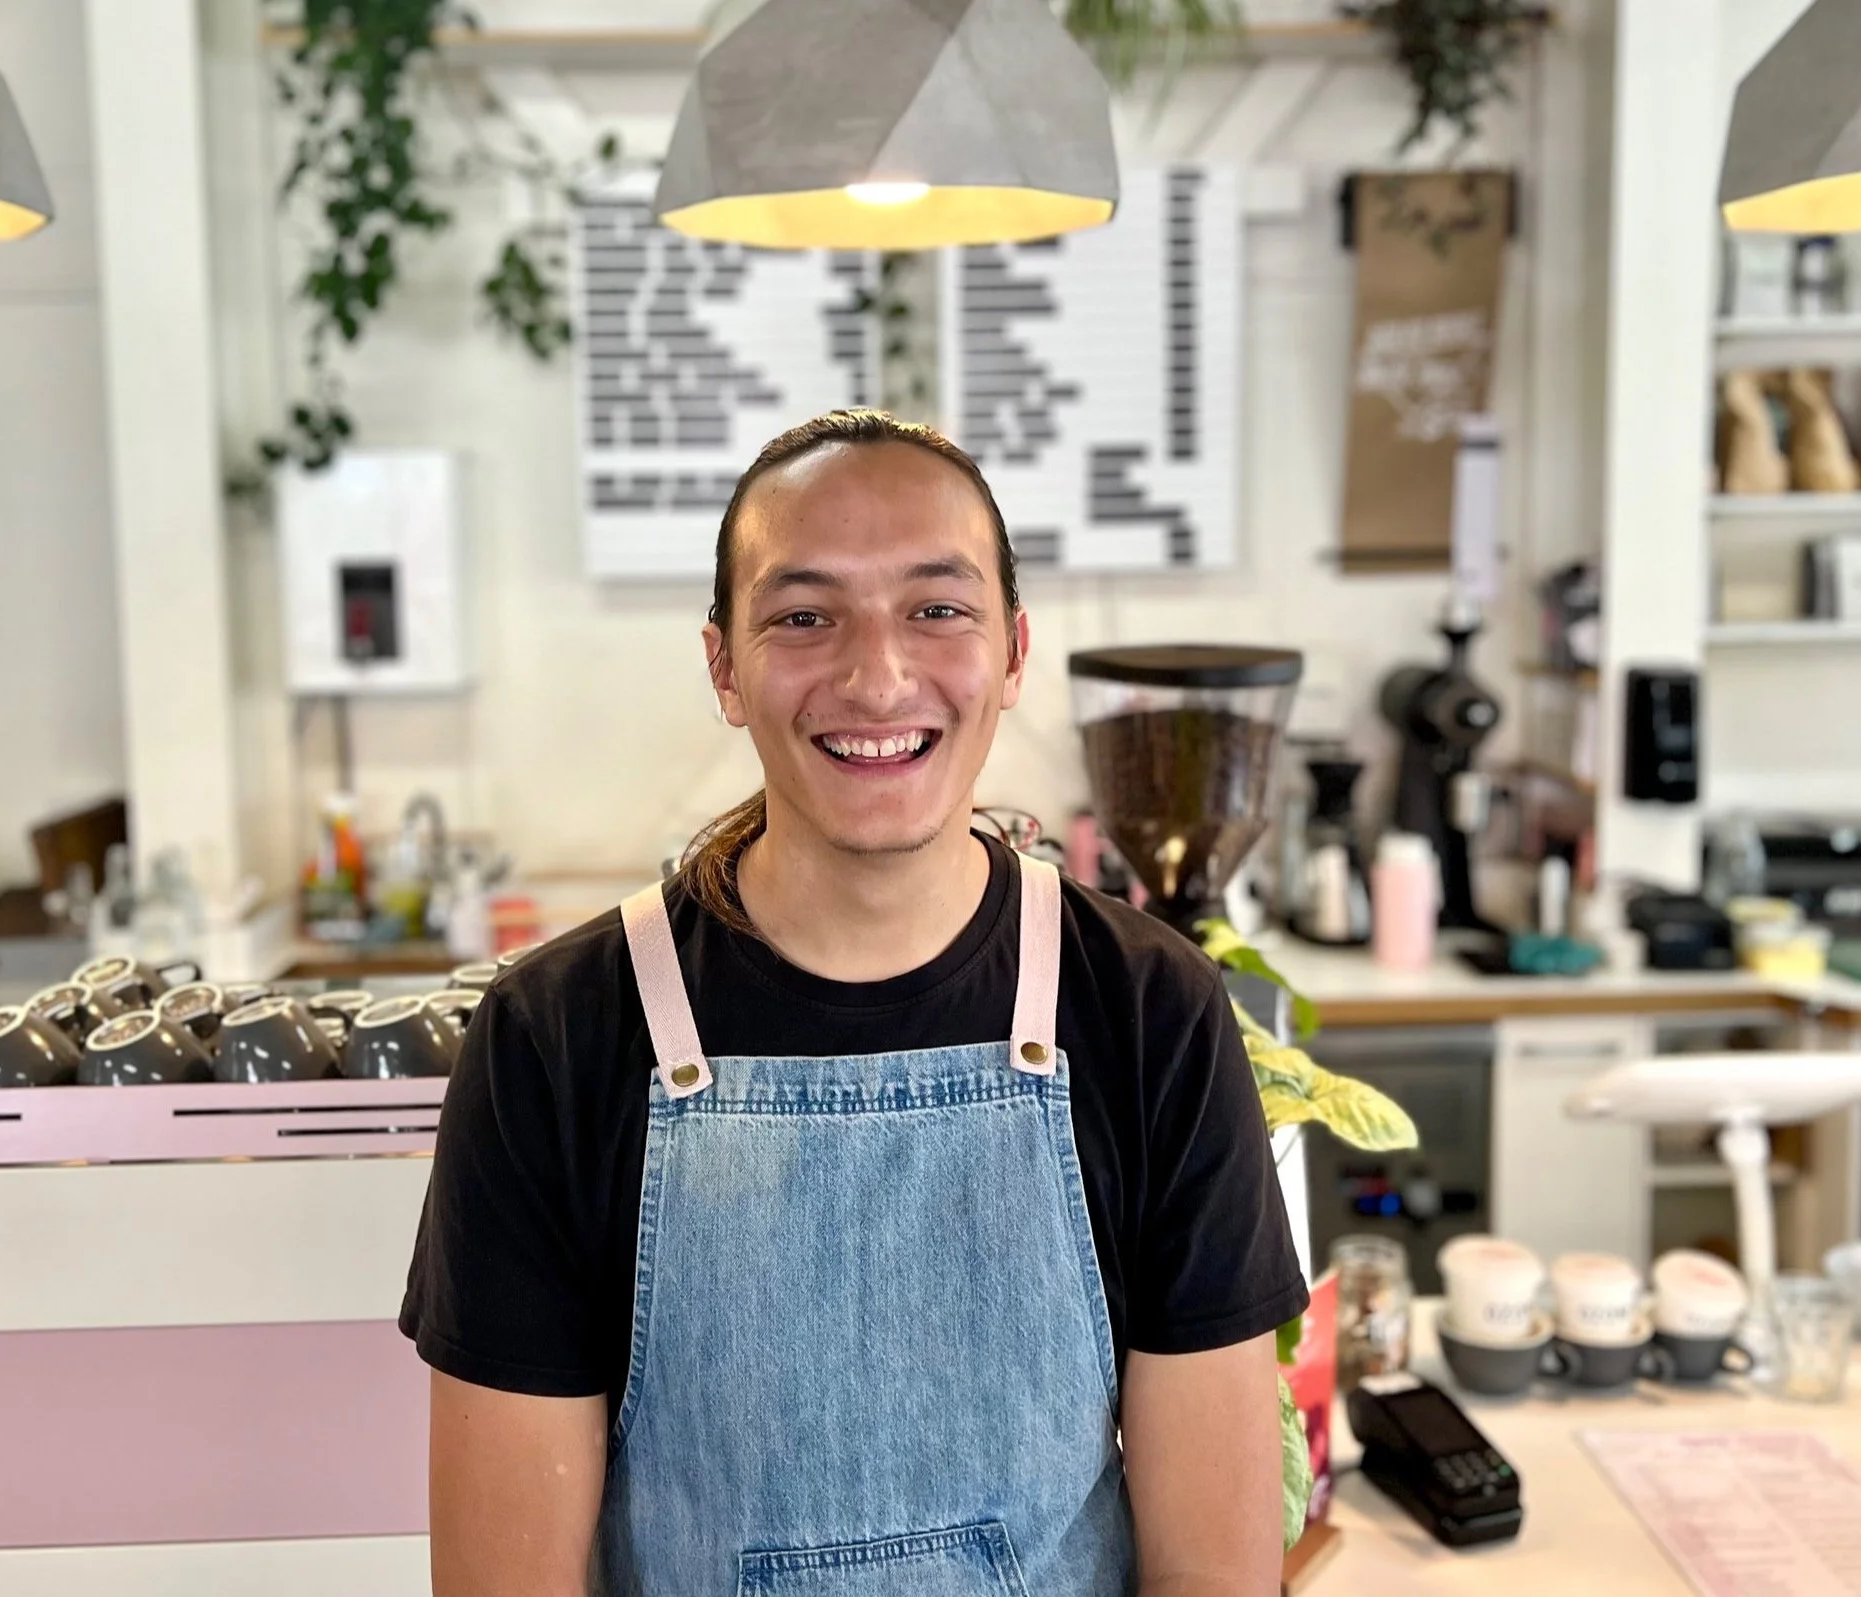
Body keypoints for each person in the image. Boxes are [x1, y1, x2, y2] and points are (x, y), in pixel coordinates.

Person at [404, 409, 1307, 1595]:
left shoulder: (1151, 1014)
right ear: (725, 665)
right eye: (803, 615)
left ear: (1015, 652)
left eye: (937, 608)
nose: (878, 678)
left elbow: (1214, 1575)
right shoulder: (555, 1038)